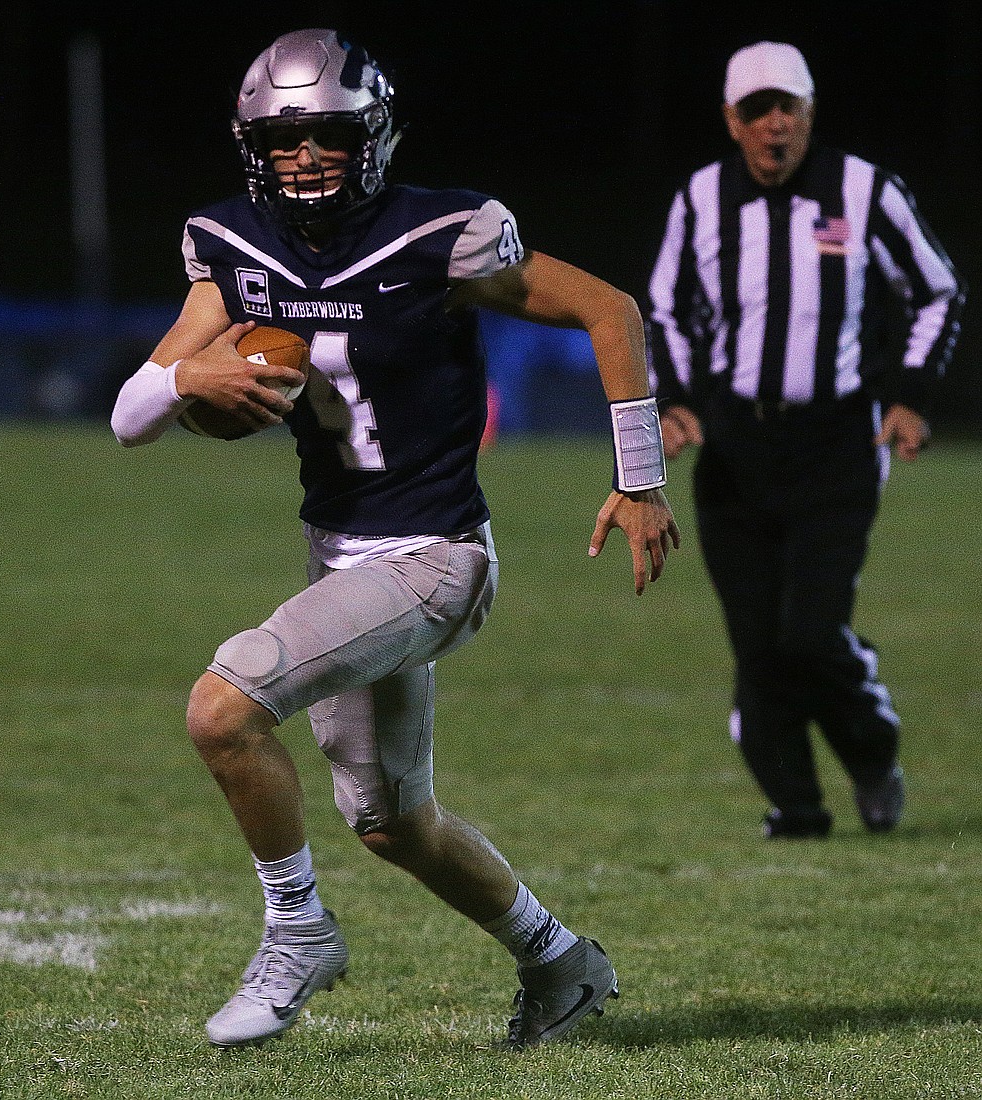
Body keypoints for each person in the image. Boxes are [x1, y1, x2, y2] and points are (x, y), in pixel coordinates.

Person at [111, 28, 679, 1049]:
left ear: (373, 134)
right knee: (390, 820)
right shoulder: (234, 247)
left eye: (331, 134)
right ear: (254, 149)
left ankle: (296, 928)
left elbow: (610, 309)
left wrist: (640, 476)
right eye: (286, 142)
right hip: (341, 555)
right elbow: (130, 414)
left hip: (435, 558)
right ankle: (561, 961)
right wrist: (194, 376)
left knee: (221, 707)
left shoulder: (442, 236)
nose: (309, 158)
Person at [647, 41, 965, 839]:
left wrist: (910, 397)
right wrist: (680, 400)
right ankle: (797, 807)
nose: (774, 124)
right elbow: (663, 306)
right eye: (757, 110)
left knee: (812, 635)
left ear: (811, 112)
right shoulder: (699, 200)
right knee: (758, 647)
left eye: (787, 106)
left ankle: (872, 751)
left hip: (836, 447)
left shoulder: (863, 191)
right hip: (736, 450)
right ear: (731, 120)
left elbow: (937, 290)